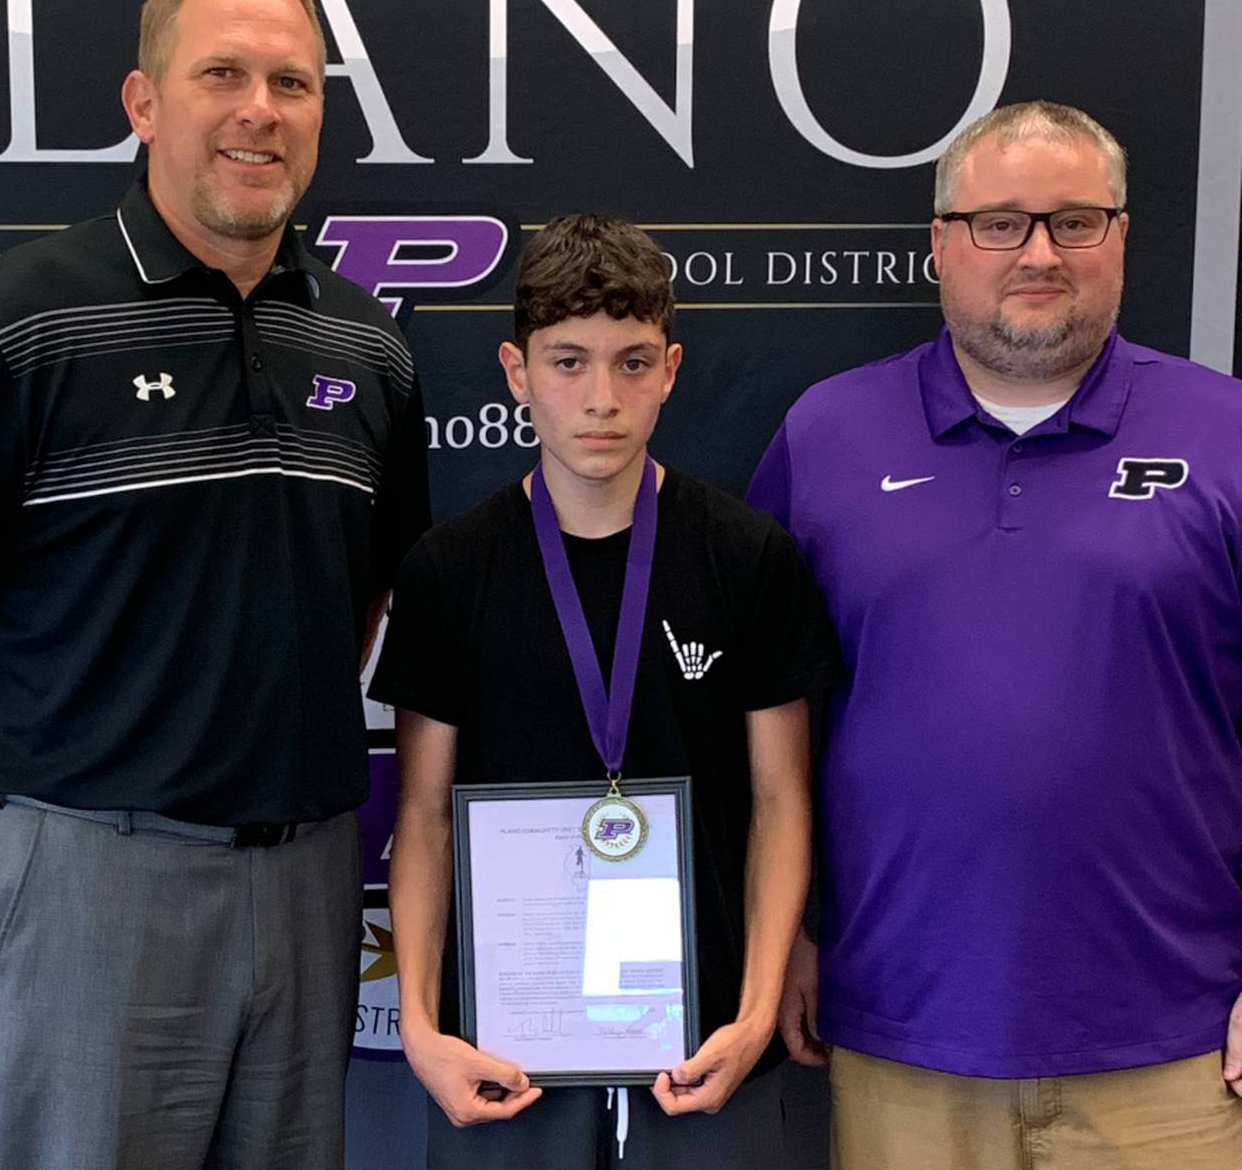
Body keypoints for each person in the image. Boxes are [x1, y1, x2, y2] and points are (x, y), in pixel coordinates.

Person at [0, 0, 429, 1170]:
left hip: (307, 879)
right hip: (85, 882)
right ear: (144, 102)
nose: (261, 110)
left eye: (294, 82)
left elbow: (363, 597)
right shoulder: (20, 320)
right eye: (222, 73)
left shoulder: (370, 347)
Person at [749, 101, 1242, 1169]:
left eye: (1074, 221)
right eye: (999, 223)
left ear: (1120, 236)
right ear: (939, 241)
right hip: (899, 1037)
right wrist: (775, 934)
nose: (1038, 253)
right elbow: (765, 723)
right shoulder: (827, 436)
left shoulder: (1226, 432)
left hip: (1175, 1050)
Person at [371, 214, 840, 1168]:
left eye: (631, 363)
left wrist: (754, 1017)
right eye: (568, 361)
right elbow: (423, 814)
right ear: (516, 371)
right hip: (503, 1057)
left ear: (670, 369)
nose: (600, 398)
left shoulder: (746, 557)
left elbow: (781, 800)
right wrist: (421, 1027)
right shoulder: (449, 571)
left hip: (705, 1050)